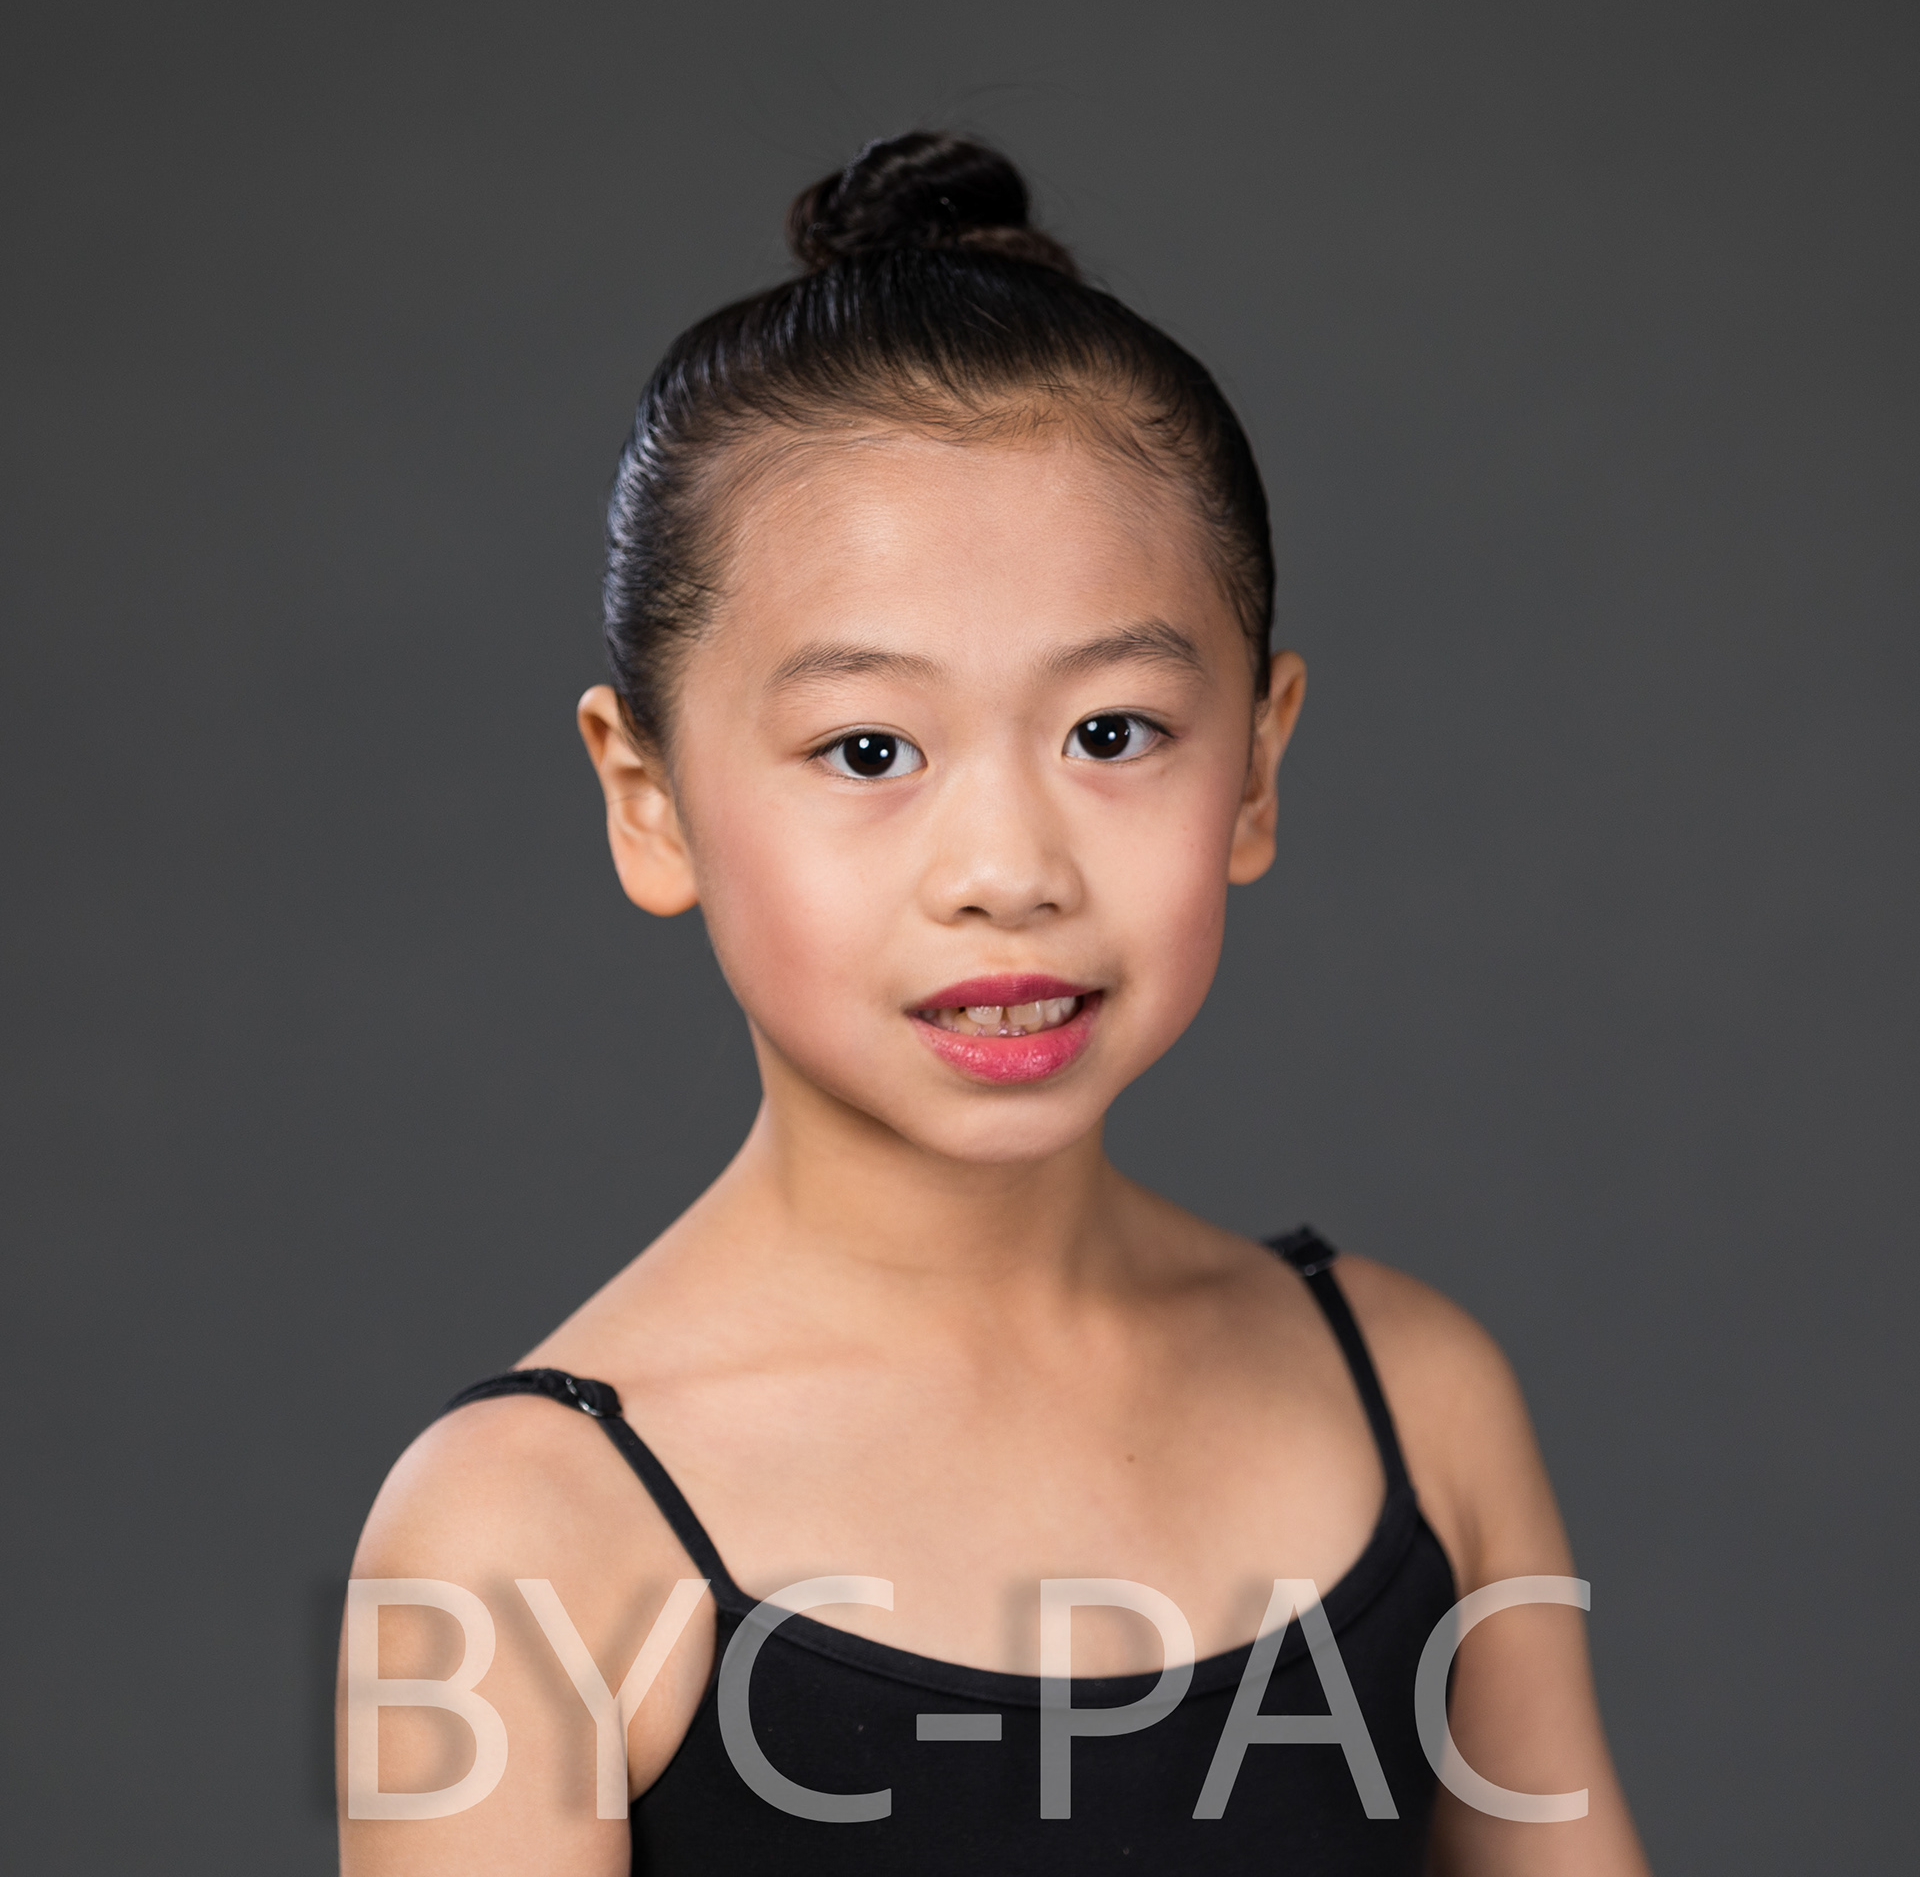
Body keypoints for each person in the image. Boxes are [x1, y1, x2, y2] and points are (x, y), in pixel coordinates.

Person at [339, 131, 1649, 1876]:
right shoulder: (526, 1539)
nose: (1007, 868)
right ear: (647, 801)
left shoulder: (1416, 1399)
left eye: (1112, 732)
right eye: (868, 749)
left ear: (1257, 768)